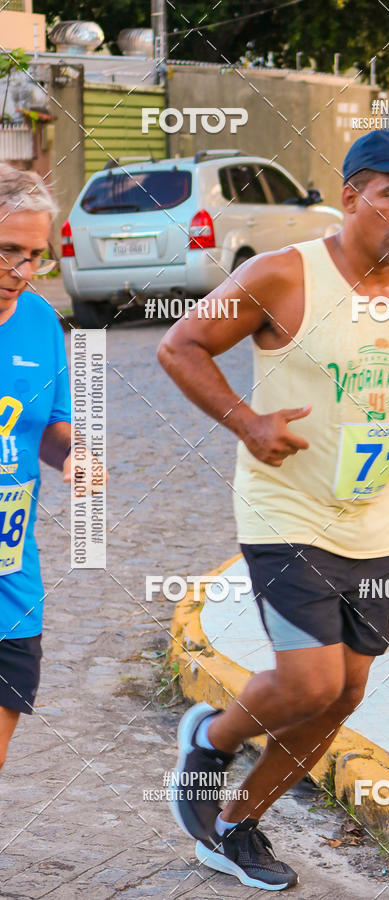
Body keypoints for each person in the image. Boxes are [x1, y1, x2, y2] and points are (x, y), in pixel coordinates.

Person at [158, 130, 389, 890]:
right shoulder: (283, 276)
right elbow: (180, 346)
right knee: (306, 683)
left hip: (368, 519)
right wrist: (247, 421)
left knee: (346, 692)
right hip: (284, 511)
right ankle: (211, 735)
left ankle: (236, 826)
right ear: (351, 197)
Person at [0, 164, 104, 770]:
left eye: (35, 256)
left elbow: (50, 428)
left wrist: (77, 456)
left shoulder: (40, 321)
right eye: (7, 251)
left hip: (13, 580)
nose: (21, 272)